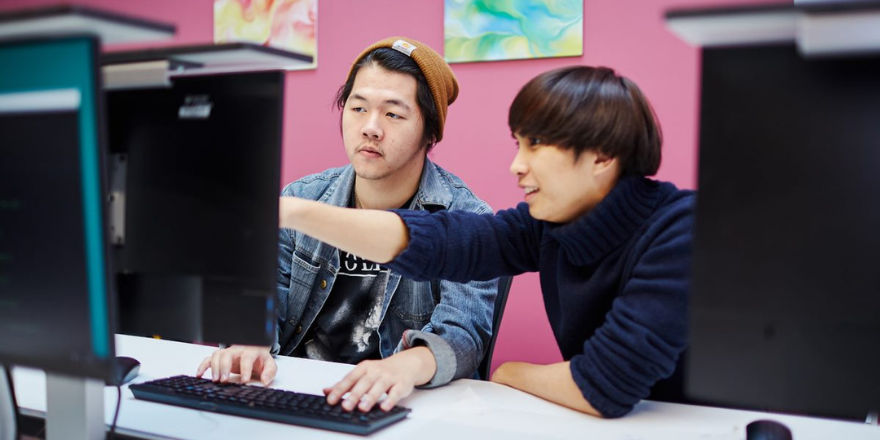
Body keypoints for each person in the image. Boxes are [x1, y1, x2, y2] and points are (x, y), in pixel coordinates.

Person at [276, 66, 695, 418]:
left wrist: (509, 372)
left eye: (536, 146)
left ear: (602, 156)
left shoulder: (681, 230)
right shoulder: (548, 224)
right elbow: (438, 241)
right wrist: (291, 212)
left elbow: (603, 385)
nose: (516, 165)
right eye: (518, 144)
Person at [197, 37, 499, 413]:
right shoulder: (302, 200)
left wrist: (403, 366)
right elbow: (263, 295)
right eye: (358, 108)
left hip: (397, 405)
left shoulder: (467, 219)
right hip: (295, 395)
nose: (370, 128)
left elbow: (462, 335)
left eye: (393, 114)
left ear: (430, 132)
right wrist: (250, 339)